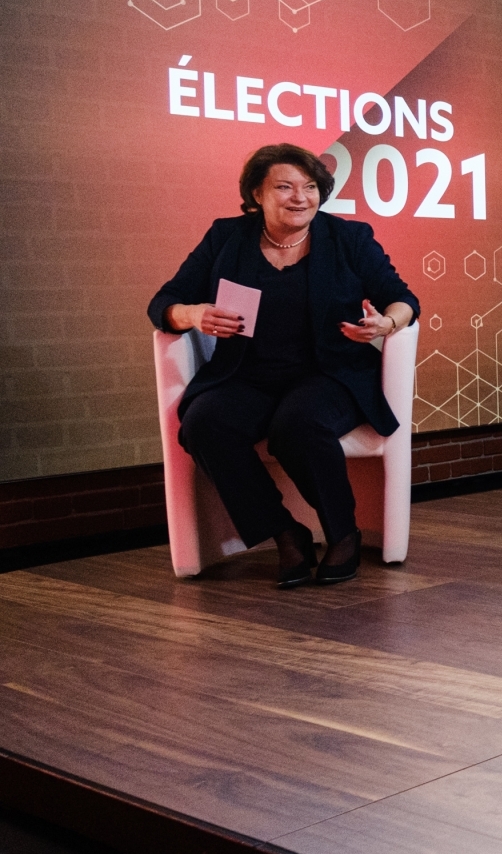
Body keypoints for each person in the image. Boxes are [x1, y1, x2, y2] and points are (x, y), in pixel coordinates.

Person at [149, 144, 420, 588]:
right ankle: (284, 532)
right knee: (203, 423)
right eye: (285, 186)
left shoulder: (348, 238)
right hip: (248, 374)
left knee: (298, 424)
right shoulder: (226, 237)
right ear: (257, 193)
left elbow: (403, 298)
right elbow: (164, 301)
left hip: (329, 373)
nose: (300, 197)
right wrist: (193, 314)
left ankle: (343, 533)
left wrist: (386, 322)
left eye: (310, 187)